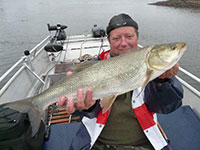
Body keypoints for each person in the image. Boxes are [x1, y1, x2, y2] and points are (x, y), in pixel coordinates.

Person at [58, 13, 183, 150]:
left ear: (137, 38)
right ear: (109, 41)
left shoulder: (154, 69)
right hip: (96, 143)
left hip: (144, 144)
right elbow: (84, 113)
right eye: (116, 38)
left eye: (129, 37)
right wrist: (87, 108)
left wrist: (163, 82)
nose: (124, 43)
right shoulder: (95, 66)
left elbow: (167, 106)